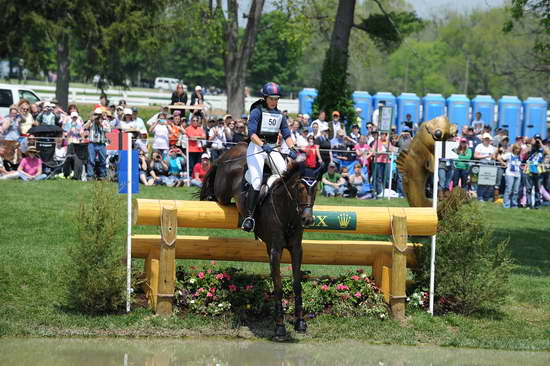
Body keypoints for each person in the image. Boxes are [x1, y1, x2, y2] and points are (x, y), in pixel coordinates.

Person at [241, 82, 298, 232]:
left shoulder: (280, 115)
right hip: (256, 149)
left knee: (284, 174)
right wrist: (262, 144)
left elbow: (286, 133)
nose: (274, 101)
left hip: (272, 148)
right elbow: (251, 133)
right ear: (265, 98)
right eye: (271, 98)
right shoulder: (257, 111)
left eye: (276, 99)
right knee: (257, 180)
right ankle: (249, 217)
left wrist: (292, 148)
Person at [84, 107, 110, 180]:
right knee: (91, 160)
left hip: (101, 144)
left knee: (103, 160)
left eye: (99, 114)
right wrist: (90, 120)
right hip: (92, 143)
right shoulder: (91, 121)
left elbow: (108, 130)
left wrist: (101, 123)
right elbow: (84, 127)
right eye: (96, 114)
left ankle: (102, 175)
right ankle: (90, 175)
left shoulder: (105, 121)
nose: (97, 116)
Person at [474, 133, 496, 201]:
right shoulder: (479, 146)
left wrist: (493, 157)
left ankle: (486, 197)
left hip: (490, 164)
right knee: (482, 182)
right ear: (483, 139)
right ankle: (480, 197)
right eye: (486, 139)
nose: (487, 140)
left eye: (488, 139)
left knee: (489, 182)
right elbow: (476, 156)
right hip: (482, 164)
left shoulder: (491, 147)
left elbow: (493, 157)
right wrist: (486, 156)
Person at [524, 134, 545, 209]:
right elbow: (524, 152)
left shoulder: (542, 148)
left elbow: (547, 151)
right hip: (529, 169)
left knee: (537, 189)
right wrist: (532, 143)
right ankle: (529, 204)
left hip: (538, 170)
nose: (537, 140)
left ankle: (537, 205)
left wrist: (540, 143)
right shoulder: (531, 147)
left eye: (538, 138)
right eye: (536, 138)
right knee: (529, 188)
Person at [500, 144, 522, 208]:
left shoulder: (519, 156)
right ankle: (506, 204)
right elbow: (500, 158)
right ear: (514, 149)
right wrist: (504, 163)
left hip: (517, 174)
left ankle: (514, 204)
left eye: (519, 149)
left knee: (516, 190)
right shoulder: (509, 155)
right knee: (509, 189)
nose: (518, 150)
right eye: (517, 149)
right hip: (509, 174)